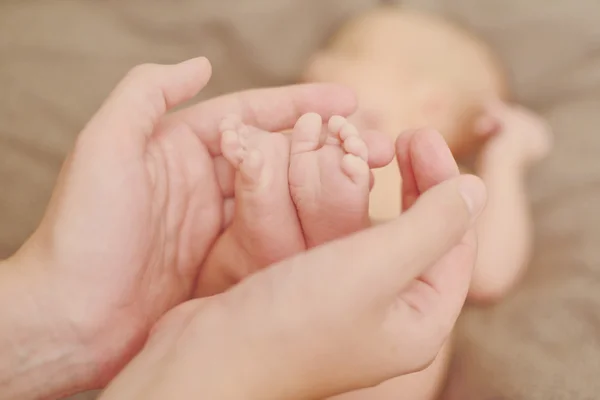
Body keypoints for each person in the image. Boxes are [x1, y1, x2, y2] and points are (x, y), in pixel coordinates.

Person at [0, 57, 485, 399]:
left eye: (351, 51)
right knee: (242, 257)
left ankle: (312, 227)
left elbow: (491, 268)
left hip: (380, 346)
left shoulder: (438, 179)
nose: (319, 57)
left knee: (378, 300)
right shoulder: (310, 144)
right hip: (259, 302)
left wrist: (503, 164)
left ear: (432, 102)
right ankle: (274, 207)